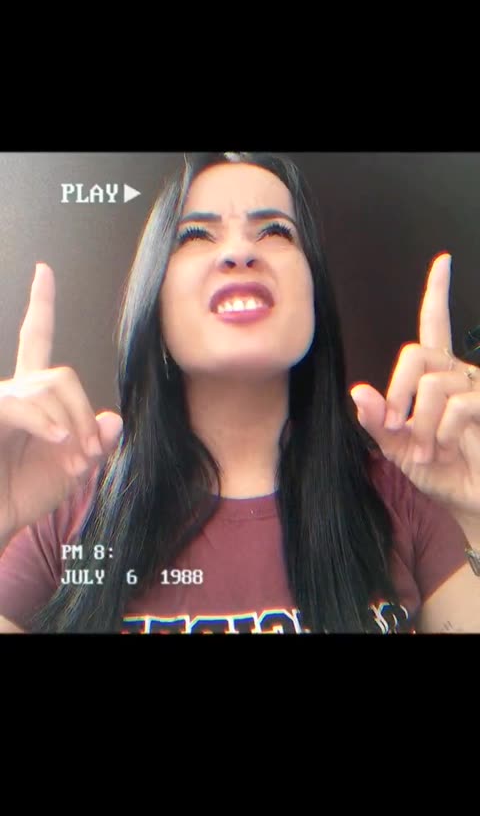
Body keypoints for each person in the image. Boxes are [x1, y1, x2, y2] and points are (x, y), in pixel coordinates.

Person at [0, 151, 479, 634]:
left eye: (275, 231)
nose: (239, 252)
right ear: (155, 300)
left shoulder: (403, 497)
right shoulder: (64, 507)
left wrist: (477, 516)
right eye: (195, 234)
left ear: (313, 293)